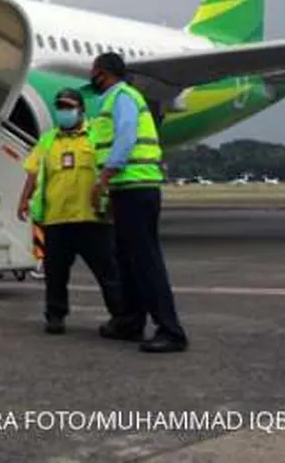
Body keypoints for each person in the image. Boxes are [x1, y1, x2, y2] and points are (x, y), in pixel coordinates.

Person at [88, 52, 188, 353]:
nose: (90, 78)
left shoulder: (123, 97)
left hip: (136, 187)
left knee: (145, 262)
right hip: (125, 188)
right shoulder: (113, 99)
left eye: (93, 72)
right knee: (126, 259)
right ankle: (130, 322)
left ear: (103, 73)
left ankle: (171, 330)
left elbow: (127, 135)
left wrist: (104, 176)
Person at [17, 88, 127, 335]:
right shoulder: (47, 140)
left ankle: (121, 317)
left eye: (68, 107)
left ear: (81, 110)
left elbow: (111, 167)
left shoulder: (95, 136)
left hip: (92, 218)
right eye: (60, 107)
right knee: (55, 274)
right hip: (57, 219)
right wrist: (23, 200)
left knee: (109, 273)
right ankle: (55, 316)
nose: (63, 112)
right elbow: (33, 173)